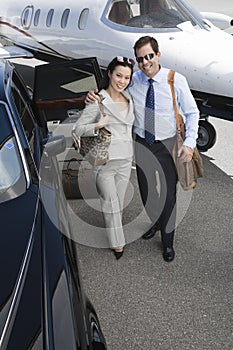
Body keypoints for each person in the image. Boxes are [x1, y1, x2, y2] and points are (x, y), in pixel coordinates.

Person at [85, 36, 200, 262]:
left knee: (168, 197)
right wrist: (91, 95)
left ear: (158, 55)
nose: (145, 62)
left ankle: (167, 242)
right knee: (148, 195)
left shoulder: (176, 80)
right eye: (140, 59)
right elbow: (112, 88)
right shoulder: (134, 79)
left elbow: (192, 113)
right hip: (141, 144)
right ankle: (156, 222)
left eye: (149, 56)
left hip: (167, 145)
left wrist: (189, 143)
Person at [73, 56, 135, 260]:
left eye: (126, 77)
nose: (122, 81)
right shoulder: (98, 100)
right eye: (118, 75)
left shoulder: (129, 98)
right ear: (109, 74)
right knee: (111, 203)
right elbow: (78, 129)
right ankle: (118, 244)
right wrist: (99, 125)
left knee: (119, 200)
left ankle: (115, 234)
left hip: (126, 160)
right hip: (105, 161)